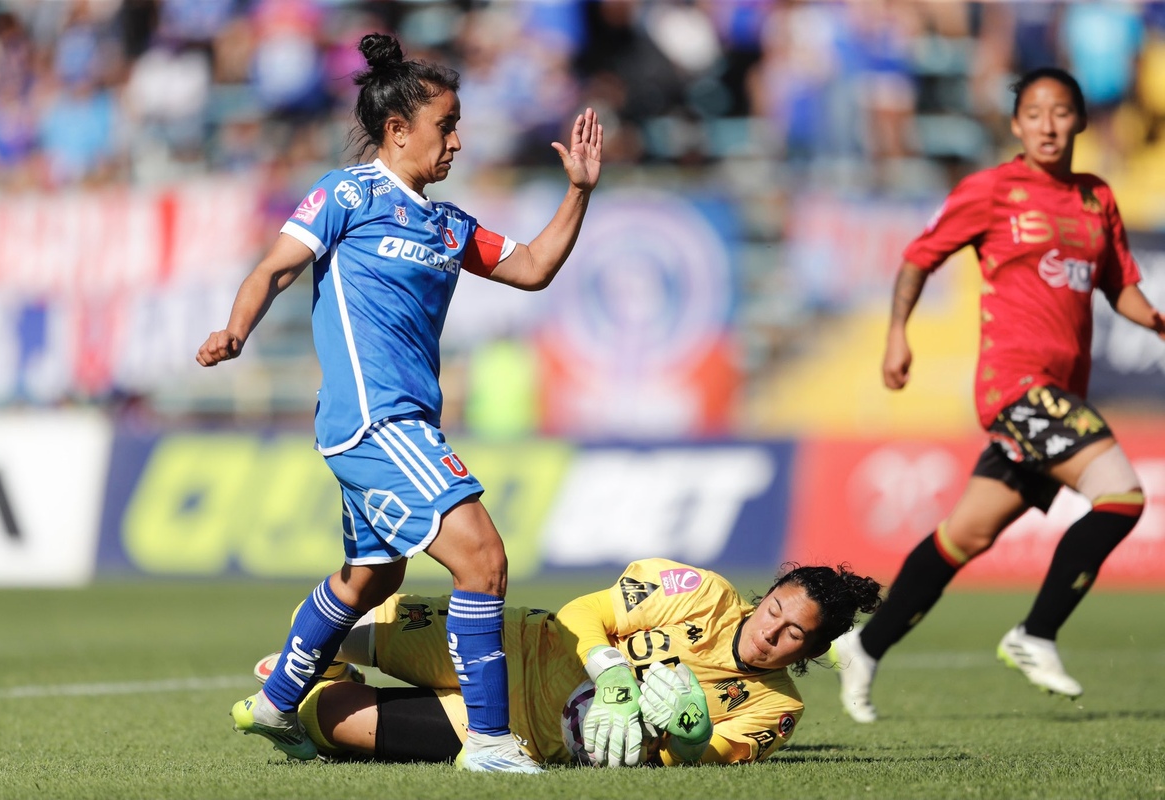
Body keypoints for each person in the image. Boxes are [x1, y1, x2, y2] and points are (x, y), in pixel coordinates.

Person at [195, 32, 603, 772]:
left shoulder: (449, 225)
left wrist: (578, 191)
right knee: (482, 557)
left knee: (374, 577)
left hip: (403, 421)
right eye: (445, 125)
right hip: (374, 420)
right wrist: (235, 329)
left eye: (456, 125)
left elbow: (536, 267)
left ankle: (276, 701)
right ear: (397, 130)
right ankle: (487, 742)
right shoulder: (349, 193)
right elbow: (275, 268)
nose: (456, 140)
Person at [831, 66, 1165, 723]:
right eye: (1034, 112)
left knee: (967, 534)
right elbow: (920, 256)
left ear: (1080, 122)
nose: (1047, 124)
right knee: (1122, 495)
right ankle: (1035, 633)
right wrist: (897, 334)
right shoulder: (991, 191)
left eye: (1061, 112)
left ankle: (864, 647)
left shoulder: (1097, 197)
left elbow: (1118, 284)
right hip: (1014, 386)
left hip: (1058, 394)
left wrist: (1158, 320)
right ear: (1016, 124)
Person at [250, 558, 882, 767]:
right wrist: (609, 670)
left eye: (794, 633)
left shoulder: (778, 710)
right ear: (766, 595)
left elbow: (711, 758)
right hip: (513, 644)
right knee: (345, 629)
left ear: (813, 650)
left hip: (520, 731)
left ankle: (334, 686)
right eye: (775, 609)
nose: (771, 631)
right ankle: (330, 661)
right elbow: (585, 610)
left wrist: (688, 739)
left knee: (327, 721)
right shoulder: (700, 593)